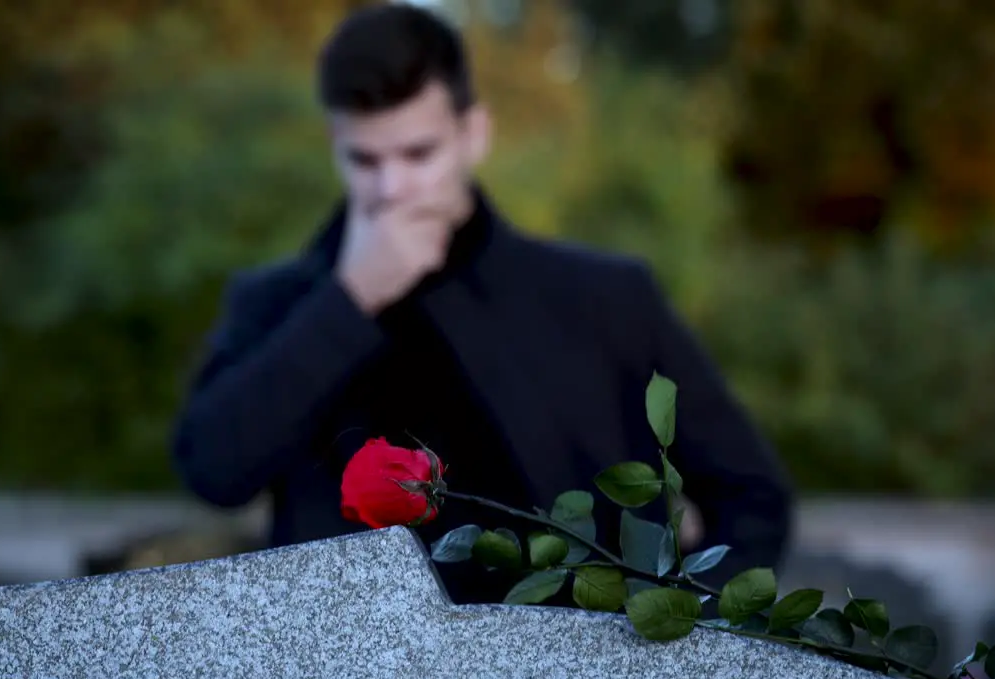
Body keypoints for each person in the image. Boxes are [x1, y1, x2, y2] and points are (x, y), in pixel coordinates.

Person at [170, 3, 792, 604]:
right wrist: (349, 299)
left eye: (418, 154)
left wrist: (662, 651)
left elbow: (753, 501)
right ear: (336, 143)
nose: (392, 189)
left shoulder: (604, 298)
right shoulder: (279, 302)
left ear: (473, 133)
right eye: (365, 159)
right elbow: (213, 470)